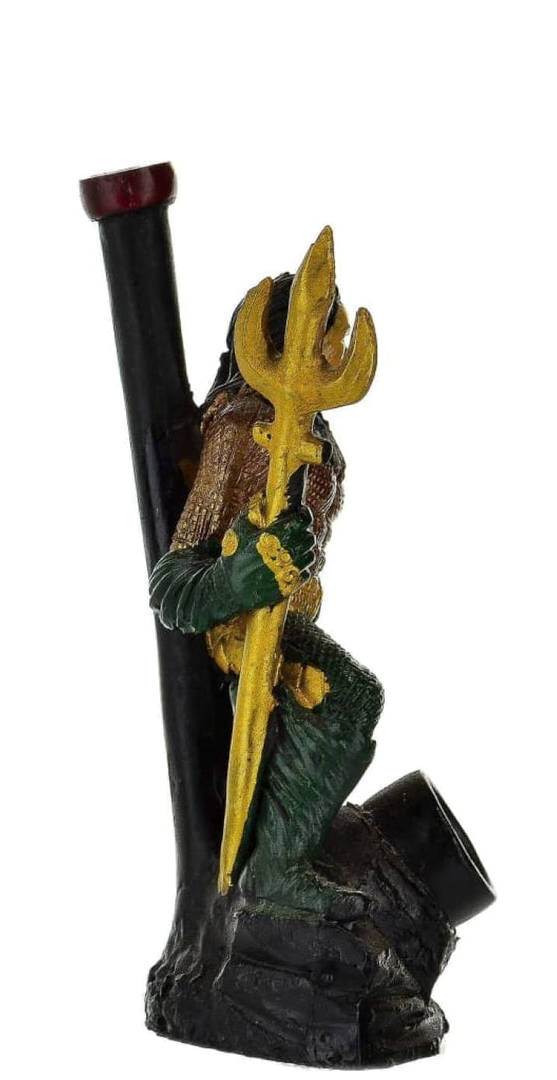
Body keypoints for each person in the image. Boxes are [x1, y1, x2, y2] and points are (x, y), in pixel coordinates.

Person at [148, 273, 383, 920]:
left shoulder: (314, 441)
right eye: (329, 335)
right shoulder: (242, 427)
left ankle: (288, 848)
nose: (334, 350)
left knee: (350, 703)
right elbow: (172, 582)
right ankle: (273, 872)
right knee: (353, 697)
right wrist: (237, 579)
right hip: (240, 632)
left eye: (337, 337)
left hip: (285, 624)